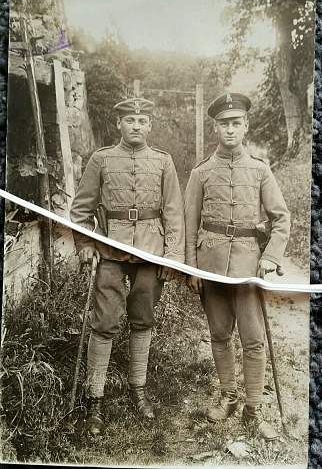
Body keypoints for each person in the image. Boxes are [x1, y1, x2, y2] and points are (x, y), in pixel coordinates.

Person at [70, 97, 184, 435]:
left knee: (143, 317)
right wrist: (85, 244)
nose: (136, 125)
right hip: (109, 251)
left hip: (150, 250)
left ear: (150, 125)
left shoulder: (163, 162)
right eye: (130, 119)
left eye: (142, 120)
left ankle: (138, 390)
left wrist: (172, 257)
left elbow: (174, 212)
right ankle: (95, 401)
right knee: (104, 321)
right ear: (118, 124)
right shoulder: (101, 159)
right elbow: (80, 210)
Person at [184, 92, 290, 439]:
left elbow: (281, 218)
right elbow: (188, 223)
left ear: (245, 126)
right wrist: (190, 268)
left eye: (236, 123)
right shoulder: (200, 172)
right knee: (218, 333)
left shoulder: (260, 169)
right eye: (223, 124)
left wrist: (271, 256)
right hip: (210, 263)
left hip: (248, 266)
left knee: (254, 339)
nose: (230, 129)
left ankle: (253, 408)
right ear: (215, 128)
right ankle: (228, 396)